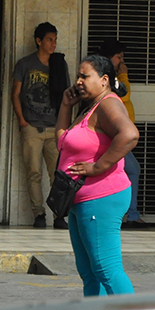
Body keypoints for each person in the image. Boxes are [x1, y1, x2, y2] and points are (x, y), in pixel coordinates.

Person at [55, 54, 138, 296]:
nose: (78, 81)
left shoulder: (108, 104)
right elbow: (61, 141)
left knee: (106, 269)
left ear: (103, 80)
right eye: (78, 76)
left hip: (101, 198)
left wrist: (98, 167)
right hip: (79, 200)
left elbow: (130, 134)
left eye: (84, 76)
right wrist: (64, 106)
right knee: (89, 272)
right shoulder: (89, 107)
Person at [13, 21, 71, 228]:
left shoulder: (58, 63)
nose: (53, 44)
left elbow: (66, 96)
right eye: (49, 39)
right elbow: (16, 94)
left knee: (58, 174)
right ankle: (39, 214)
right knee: (34, 173)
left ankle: (59, 215)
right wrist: (22, 120)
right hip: (32, 126)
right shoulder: (25, 64)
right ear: (38, 41)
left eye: (55, 40)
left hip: (54, 127)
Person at [100, 38, 148, 228]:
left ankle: (128, 214)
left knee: (125, 171)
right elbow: (123, 94)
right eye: (119, 57)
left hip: (119, 134)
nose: (122, 62)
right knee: (131, 170)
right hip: (113, 135)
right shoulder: (106, 76)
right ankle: (129, 215)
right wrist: (124, 76)